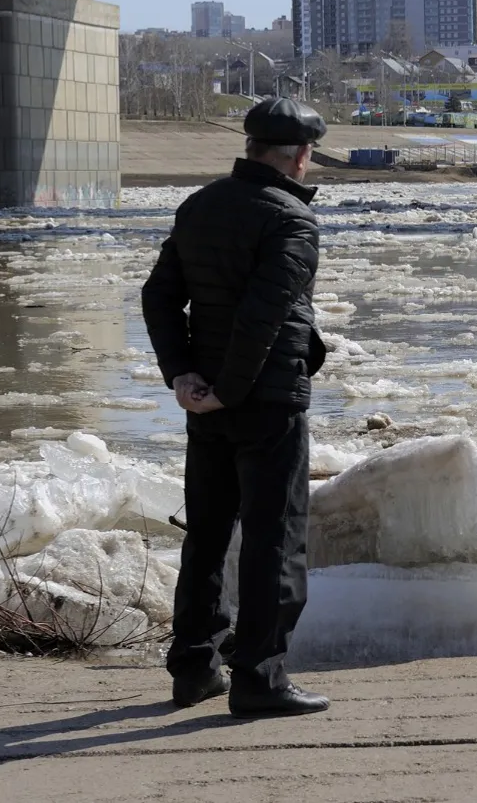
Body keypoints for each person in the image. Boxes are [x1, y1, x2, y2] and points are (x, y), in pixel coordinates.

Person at [141, 96, 330, 717]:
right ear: (300, 156)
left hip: (207, 405)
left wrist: (184, 377)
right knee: (274, 538)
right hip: (266, 400)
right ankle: (259, 678)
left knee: (210, 533)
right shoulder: (292, 222)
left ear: (250, 148)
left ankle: (195, 666)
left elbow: (159, 296)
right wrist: (229, 386)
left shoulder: (200, 205)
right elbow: (264, 318)